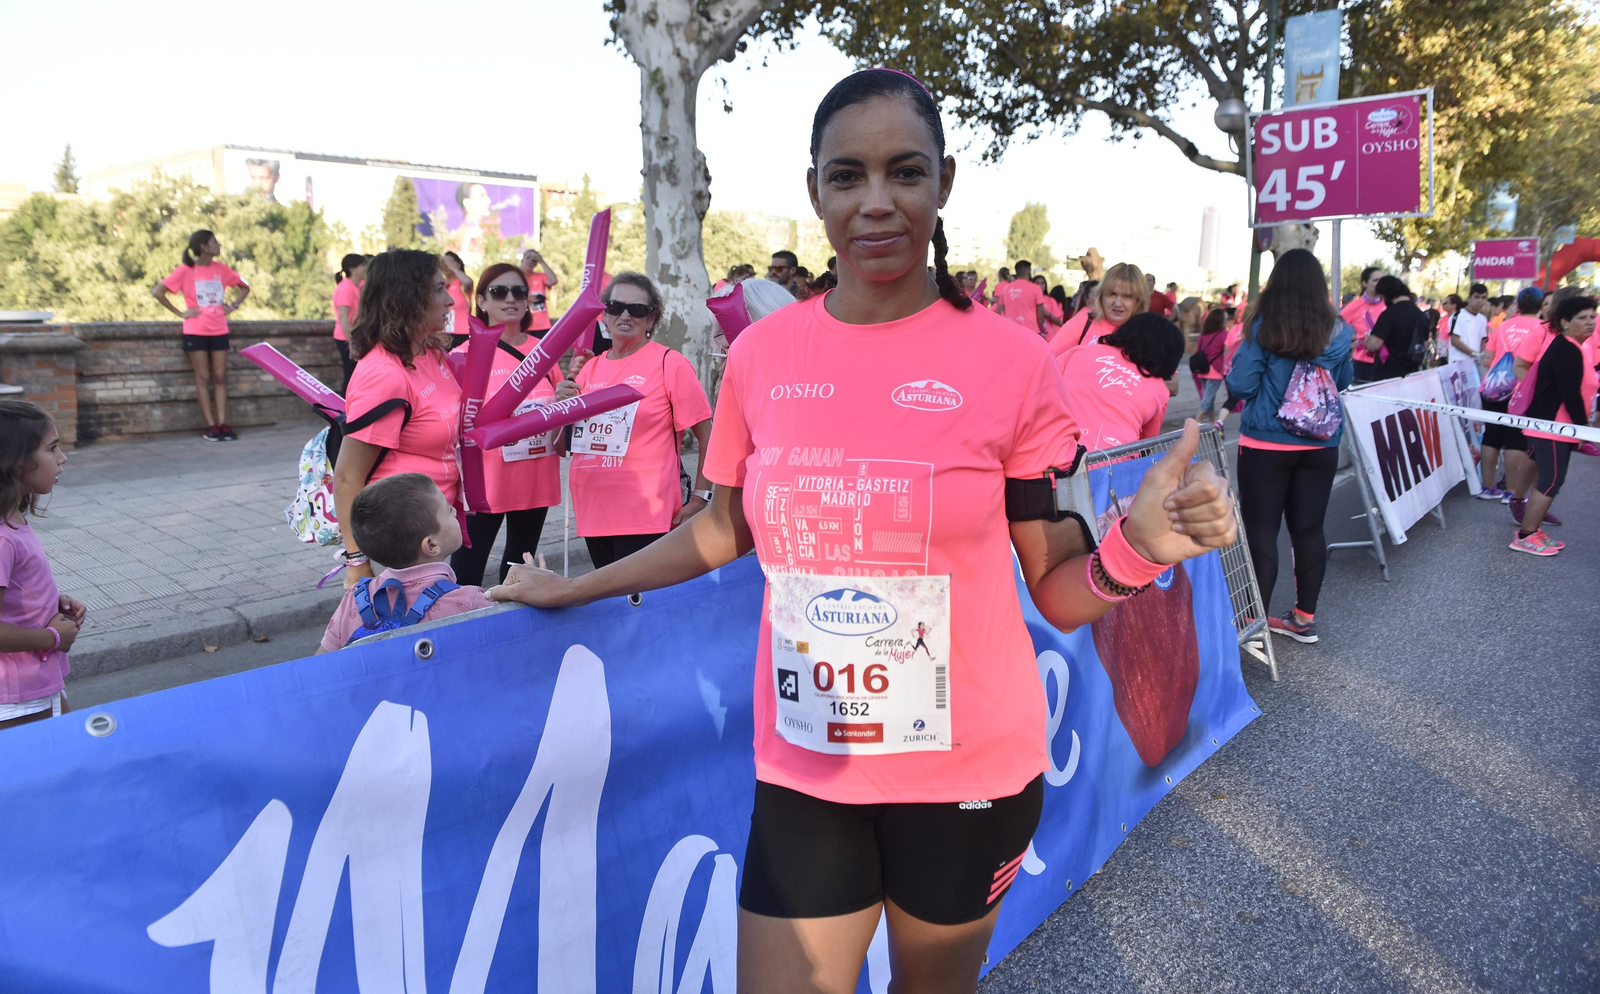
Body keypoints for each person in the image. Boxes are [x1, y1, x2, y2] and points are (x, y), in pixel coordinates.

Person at [489, 67, 1236, 994]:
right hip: (812, 770)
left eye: (904, 173)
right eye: (847, 177)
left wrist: (1139, 550)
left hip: (967, 776)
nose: (875, 203)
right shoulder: (762, 356)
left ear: (944, 183)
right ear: (815, 193)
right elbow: (726, 528)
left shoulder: (1013, 363)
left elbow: (1056, 584)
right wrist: (576, 585)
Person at [1225, 249, 1354, 645]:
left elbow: (1242, 385)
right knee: (1309, 529)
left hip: (1265, 442)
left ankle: (1253, 621)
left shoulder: (1264, 325)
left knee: (1262, 529)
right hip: (1320, 443)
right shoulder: (1339, 330)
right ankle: (1303, 618)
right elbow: (1345, 378)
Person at [565, 271, 714, 568]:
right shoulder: (589, 369)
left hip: (647, 514)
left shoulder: (668, 362)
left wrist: (701, 498)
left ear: (651, 318)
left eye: (637, 310)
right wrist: (561, 409)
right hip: (593, 512)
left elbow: (708, 433)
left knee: (639, 607)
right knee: (611, 607)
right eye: (616, 307)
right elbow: (565, 447)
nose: (625, 315)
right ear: (604, 314)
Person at [334, 249, 463, 590]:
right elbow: (347, 476)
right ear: (409, 297)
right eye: (438, 289)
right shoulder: (383, 374)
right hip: (402, 548)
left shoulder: (429, 352)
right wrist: (357, 563)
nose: (450, 300)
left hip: (432, 533)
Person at [449, 264, 563, 587]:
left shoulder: (545, 351)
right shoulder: (463, 355)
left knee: (518, 571)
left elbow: (559, 417)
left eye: (519, 291)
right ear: (482, 301)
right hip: (484, 485)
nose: (510, 298)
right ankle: (461, 632)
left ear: (528, 301)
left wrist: (567, 398)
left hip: (535, 479)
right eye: (499, 292)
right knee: (466, 574)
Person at [320, 473, 491, 651]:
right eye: (448, 511)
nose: (455, 511)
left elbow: (321, 663)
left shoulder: (354, 597)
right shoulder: (471, 602)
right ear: (431, 545)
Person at [0, 401, 85, 729]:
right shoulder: (3, 537)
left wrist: (51, 600)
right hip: (17, 694)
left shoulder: (13, 518)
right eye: (52, 449)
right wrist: (51, 637)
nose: (62, 459)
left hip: (35, 681)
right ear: (15, 462)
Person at [1510, 295, 1596, 556]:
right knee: (1551, 481)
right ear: (1565, 322)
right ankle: (1526, 536)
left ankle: (1531, 529)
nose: (1591, 322)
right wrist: (1584, 429)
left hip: (1553, 426)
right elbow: (1569, 392)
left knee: (1545, 474)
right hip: (1555, 426)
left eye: (1593, 316)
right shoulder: (1567, 348)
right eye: (1583, 318)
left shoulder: (1573, 346)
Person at [151, 229, 251, 442]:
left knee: (220, 377)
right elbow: (158, 291)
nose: (219, 245)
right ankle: (211, 426)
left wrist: (232, 306)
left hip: (219, 329)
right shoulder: (186, 270)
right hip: (195, 330)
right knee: (203, 378)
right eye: (215, 242)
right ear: (204, 247)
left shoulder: (221, 269)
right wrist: (180, 313)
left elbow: (245, 287)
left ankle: (223, 423)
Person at [1059, 313, 1184, 449]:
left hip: (1055, 451)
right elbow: (1147, 442)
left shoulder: (1080, 352)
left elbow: (1042, 384)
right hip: (1113, 463)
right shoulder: (1160, 388)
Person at [1476, 286, 1544, 502]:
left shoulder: (1503, 326)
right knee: (1516, 439)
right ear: (1542, 306)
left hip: (1494, 387)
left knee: (1492, 434)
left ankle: (1488, 487)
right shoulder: (1544, 328)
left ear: (1517, 305)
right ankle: (1512, 492)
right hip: (1523, 390)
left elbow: (1487, 359)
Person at [1051, 261, 1151, 360]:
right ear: (1101, 296)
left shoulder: (1147, 336)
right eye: (1112, 294)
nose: (1118, 303)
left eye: (1127, 296)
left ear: (1138, 301)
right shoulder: (1083, 322)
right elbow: (1047, 360)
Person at [1364, 276, 1429, 379]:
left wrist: (1367, 340)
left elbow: (1374, 345)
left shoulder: (1389, 314)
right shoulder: (1422, 315)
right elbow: (1425, 344)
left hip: (1389, 375)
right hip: (1413, 373)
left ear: (1387, 294)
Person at [1341, 266, 1386, 382]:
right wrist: (1352, 340)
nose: (1380, 284)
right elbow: (1333, 329)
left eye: (1382, 280)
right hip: (1363, 361)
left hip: (1387, 360)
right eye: (1375, 280)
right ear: (1365, 283)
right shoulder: (1354, 306)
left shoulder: (1389, 304)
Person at [332, 253, 368, 393]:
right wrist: (351, 341)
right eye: (363, 265)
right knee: (350, 375)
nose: (366, 268)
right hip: (345, 338)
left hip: (352, 337)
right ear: (352, 269)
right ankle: (344, 408)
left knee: (355, 374)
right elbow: (343, 317)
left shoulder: (356, 286)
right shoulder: (345, 287)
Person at [1447, 283, 1491, 390]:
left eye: (1483, 297)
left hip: (1475, 366)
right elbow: (1455, 340)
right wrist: (1474, 354)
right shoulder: (1458, 316)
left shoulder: (1482, 319)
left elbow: (1483, 341)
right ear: (1470, 297)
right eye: (1476, 297)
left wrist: (1482, 357)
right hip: (1458, 365)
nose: (1480, 300)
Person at [1192, 307, 1229, 423]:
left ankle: (1212, 422)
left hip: (1202, 369)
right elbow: (1227, 352)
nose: (1227, 320)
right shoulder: (1224, 334)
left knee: (1210, 397)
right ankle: (1196, 422)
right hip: (1215, 371)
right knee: (1208, 398)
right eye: (1225, 319)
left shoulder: (1203, 334)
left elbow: (1197, 350)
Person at [993, 259, 1046, 334]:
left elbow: (1003, 309)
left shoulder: (1006, 289)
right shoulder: (1036, 288)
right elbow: (1040, 314)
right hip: (1031, 331)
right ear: (1029, 272)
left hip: (1011, 330)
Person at [518, 248, 562, 338]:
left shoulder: (540, 276)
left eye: (534, 260)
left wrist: (542, 261)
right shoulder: (515, 277)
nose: (530, 261)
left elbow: (553, 280)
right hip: (522, 325)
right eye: (528, 258)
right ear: (522, 260)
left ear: (536, 264)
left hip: (542, 326)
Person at [442, 251, 475, 346]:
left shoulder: (462, 283)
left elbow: (469, 282)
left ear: (457, 264)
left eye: (448, 263)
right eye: (443, 263)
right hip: (444, 333)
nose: (445, 266)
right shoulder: (442, 284)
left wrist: (453, 268)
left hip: (462, 334)